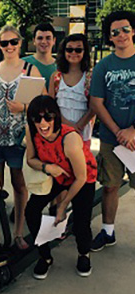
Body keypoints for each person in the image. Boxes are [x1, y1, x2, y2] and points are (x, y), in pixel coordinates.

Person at [0, 25, 43, 250]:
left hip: (17, 138)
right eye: (4, 43)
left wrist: (22, 107)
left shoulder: (30, 70)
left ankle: (18, 233)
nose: (9, 47)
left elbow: (41, 105)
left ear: (20, 43)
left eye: (13, 42)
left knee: (19, 184)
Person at [25, 95, 97, 279]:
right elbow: (31, 159)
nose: (42, 123)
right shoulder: (32, 131)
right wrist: (47, 167)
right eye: (37, 118)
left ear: (56, 117)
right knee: (31, 211)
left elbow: (80, 177)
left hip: (82, 178)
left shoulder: (70, 139)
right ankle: (45, 256)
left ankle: (84, 253)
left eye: (48, 117)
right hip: (57, 174)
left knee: (81, 221)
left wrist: (63, 205)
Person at [90, 11, 135, 251]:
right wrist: (119, 131)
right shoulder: (103, 66)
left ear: (134, 30)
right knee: (110, 185)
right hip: (111, 138)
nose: (121, 35)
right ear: (109, 37)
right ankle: (108, 232)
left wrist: (133, 130)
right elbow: (97, 102)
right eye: (115, 32)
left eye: (125, 29)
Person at [49, 33, 95, 147]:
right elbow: (51, 105)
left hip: (82, 131)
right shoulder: (56, 77)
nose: (73, 53)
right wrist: (67, 124)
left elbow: (94, 106)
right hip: (59, 130)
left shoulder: (90, 77)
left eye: (78, 50)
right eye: (69, 49)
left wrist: (79, 125)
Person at [22, 23, 57, 90]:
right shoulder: (23, 63)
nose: (44, 42)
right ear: (34, 41)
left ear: (54, 40)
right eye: (40, 38)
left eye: (48, 38)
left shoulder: (61, 65)